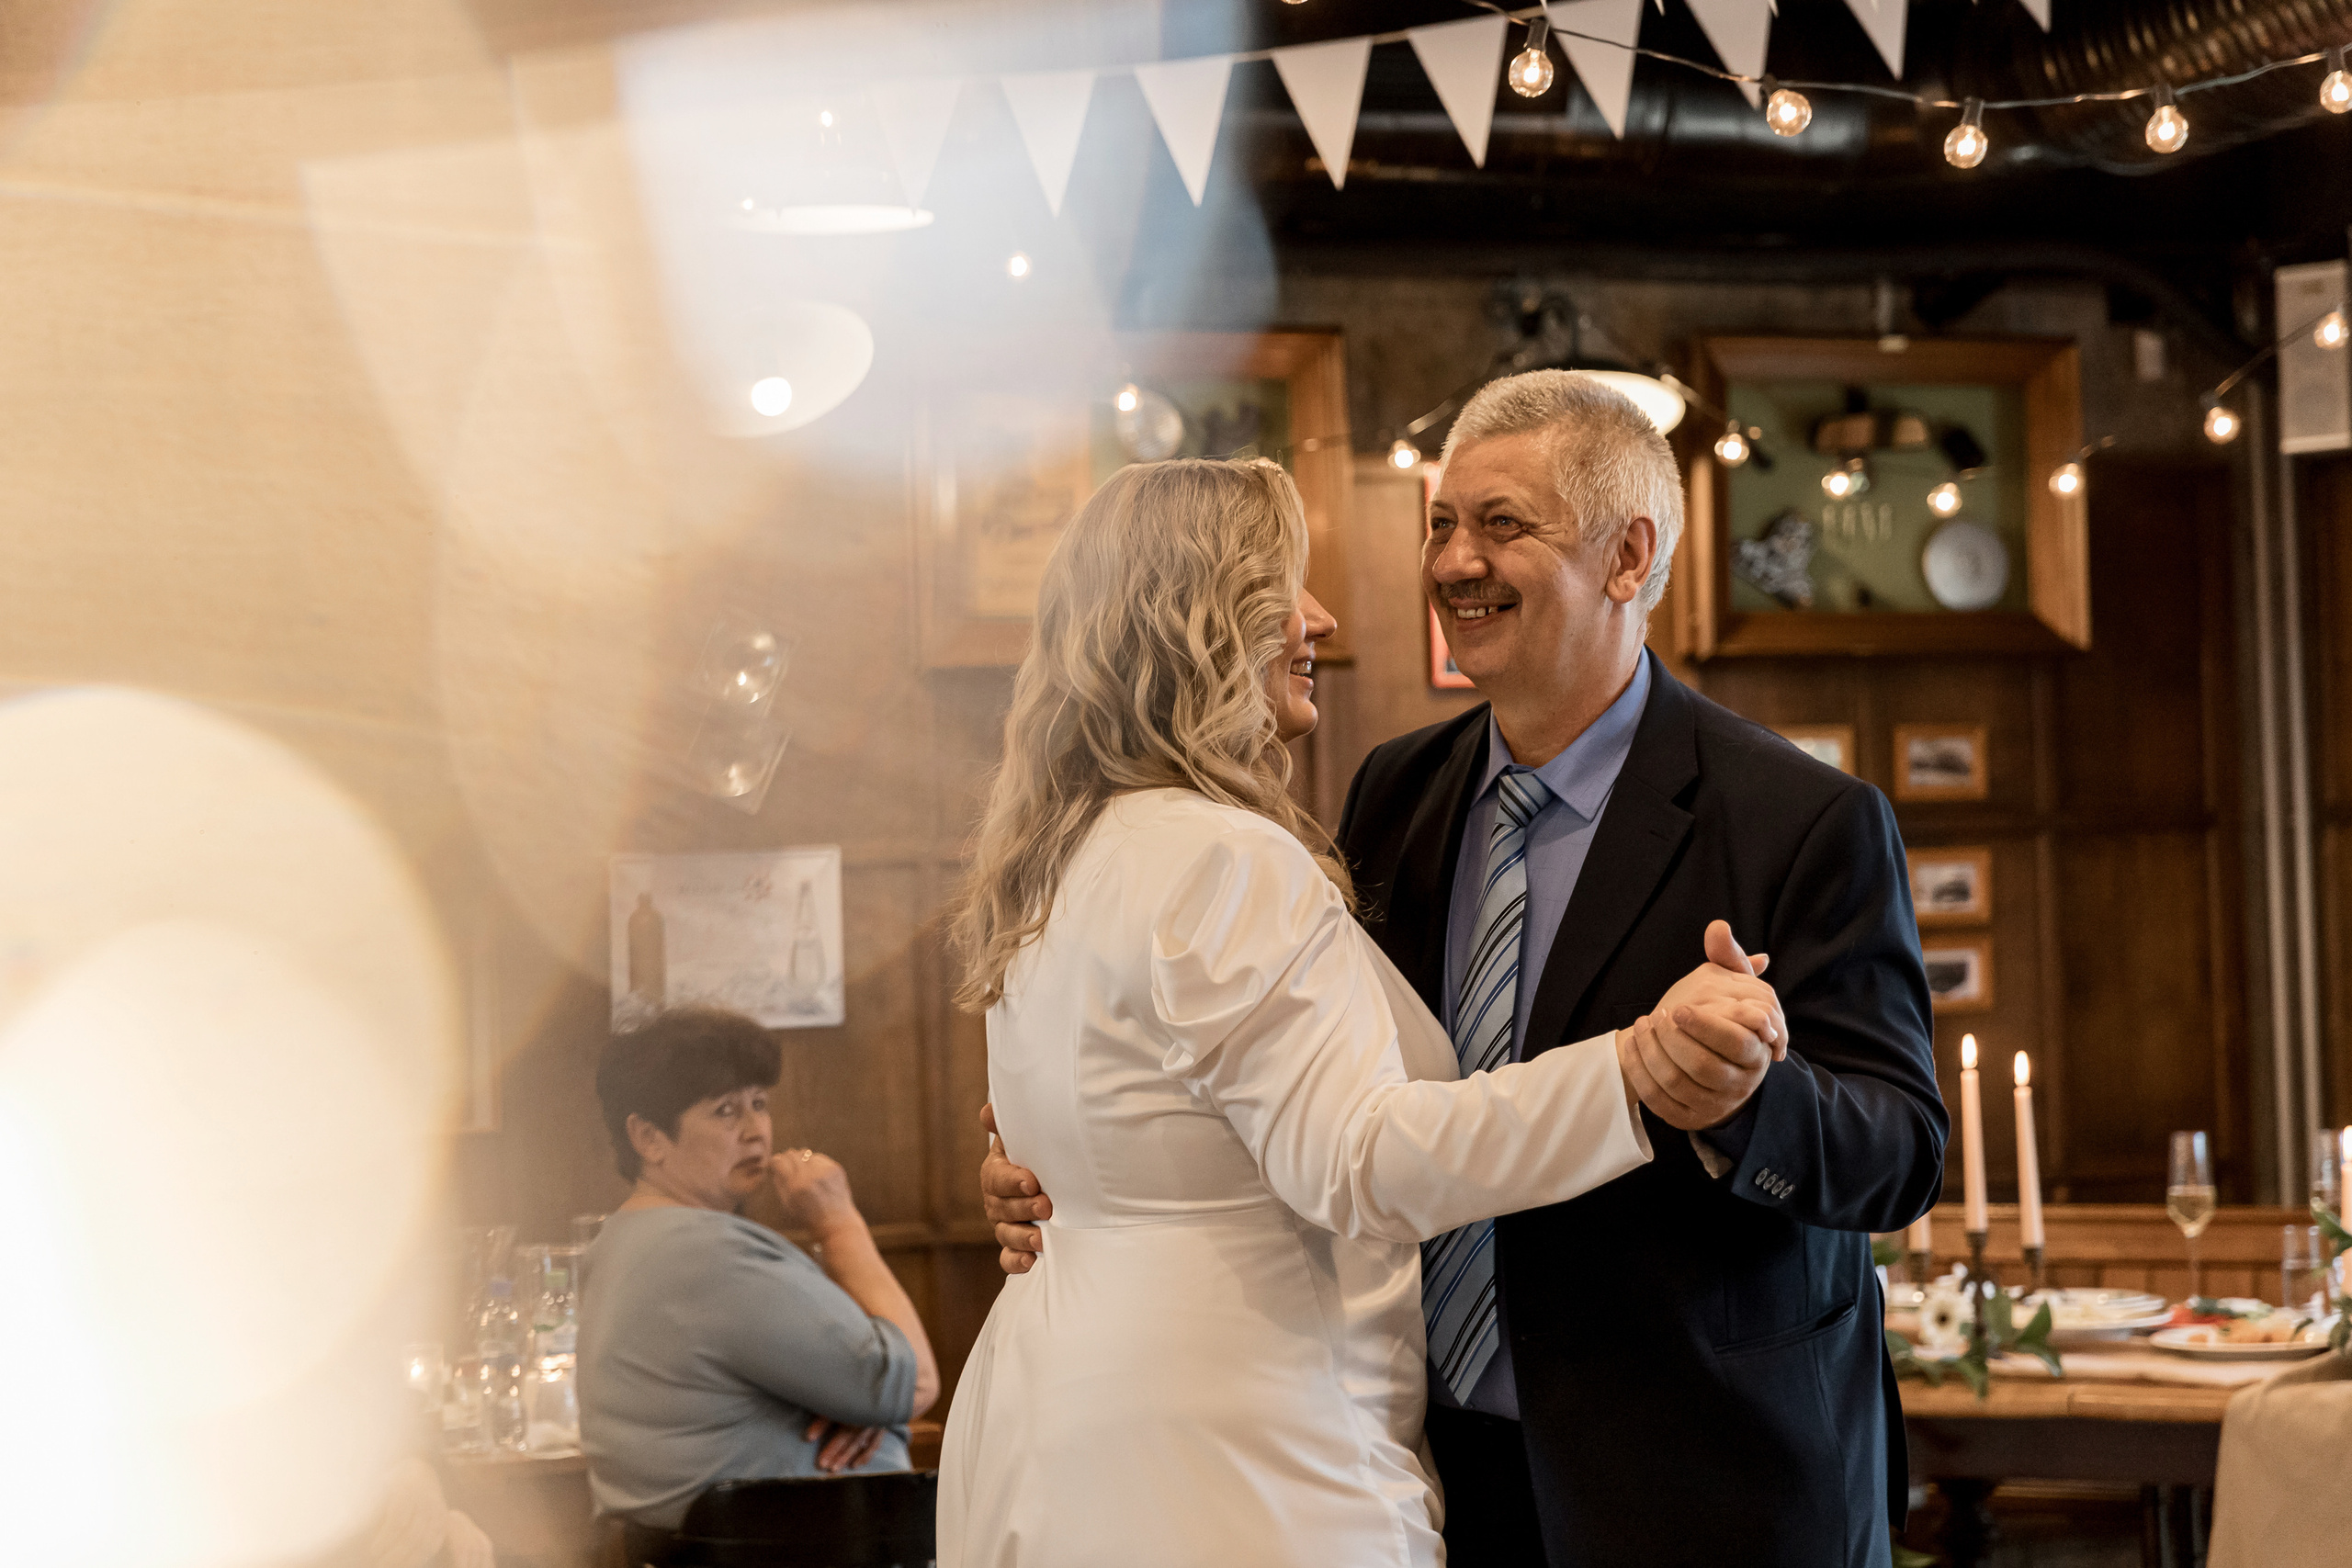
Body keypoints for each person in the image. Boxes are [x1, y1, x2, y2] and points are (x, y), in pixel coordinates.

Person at [985, 372, 1948, 1567]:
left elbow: (1901, 1148)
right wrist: (1079, 1157)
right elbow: (1308, 1091)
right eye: (1440, 522)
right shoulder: (1394, 791)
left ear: (1628, 555)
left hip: (1701, 1477)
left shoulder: (1799, 817)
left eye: (1501, 524)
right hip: (1436, 1459)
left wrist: (1745, 1100)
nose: (1451, 562)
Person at [578, 1009, 938, 1556]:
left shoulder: (625, 1241)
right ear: (648, 1138)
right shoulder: (705, 1252)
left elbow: (883, 1390)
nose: (757, 1132)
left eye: (760, 1103)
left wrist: (865, 1407)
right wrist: (840, 1223)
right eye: (725, 1111)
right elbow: (910, 1382)